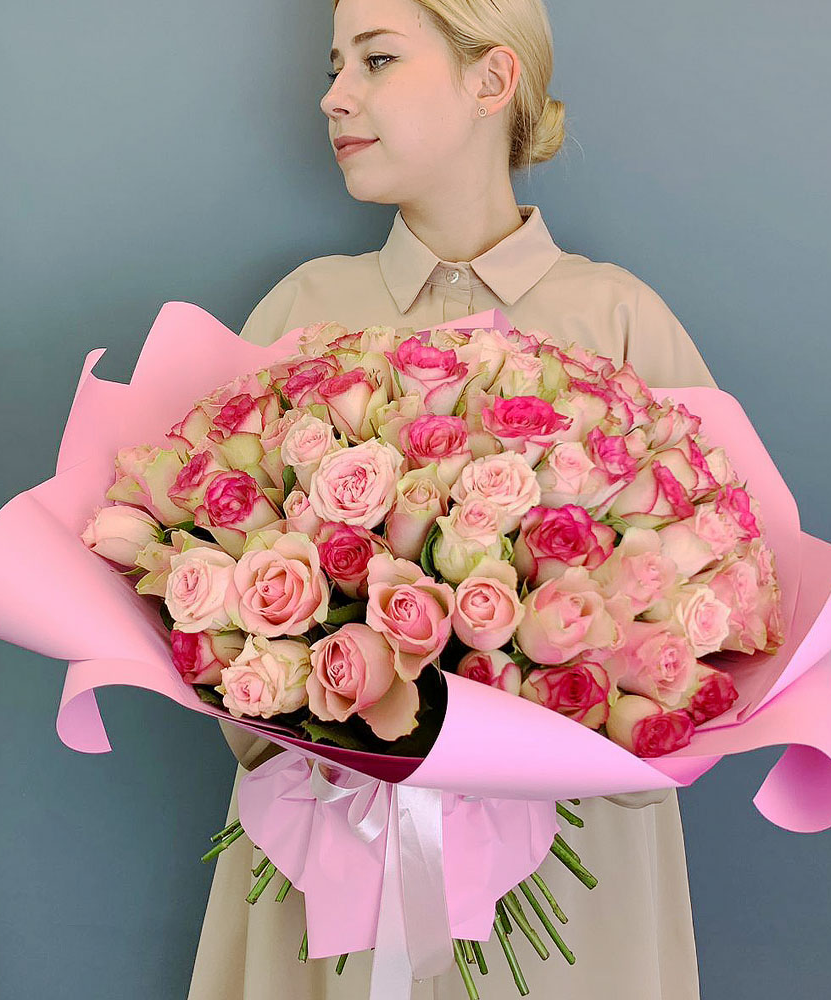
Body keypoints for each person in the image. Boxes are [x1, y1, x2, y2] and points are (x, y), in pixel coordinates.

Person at [188, 1, 716, 997]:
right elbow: (209, 595)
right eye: (335, 65)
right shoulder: (302, 311)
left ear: (491, 79)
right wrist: (307, 693)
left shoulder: (617, 318)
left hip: (572, 862)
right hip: (328, 835)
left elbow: (710, 608)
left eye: (377, 59)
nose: (334, 96)